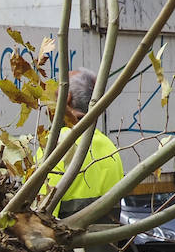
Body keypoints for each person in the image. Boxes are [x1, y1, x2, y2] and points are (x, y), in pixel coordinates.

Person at [37, 68, 124, 219]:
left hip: (66, 242)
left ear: (67, 98)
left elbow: (39, 217)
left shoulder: (54, 145)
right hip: (106, 242)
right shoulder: (110, 147)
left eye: (55, 96)